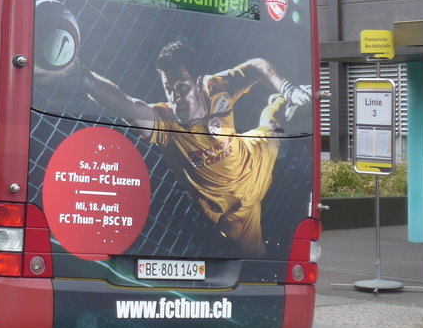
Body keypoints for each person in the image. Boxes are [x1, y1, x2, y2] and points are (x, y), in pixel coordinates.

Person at [81, 39, 311, 256]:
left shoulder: (216, 87)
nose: (176, 98)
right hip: (234, 211)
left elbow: (255, 66)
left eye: (182, 88)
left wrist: (287, 88)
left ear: (198, 84)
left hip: (254, 158)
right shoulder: (164, 123)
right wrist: (85, 80)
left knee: (273, 122)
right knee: (257, 255)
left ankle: (286, 99)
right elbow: (127, 105)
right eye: (169, 89)